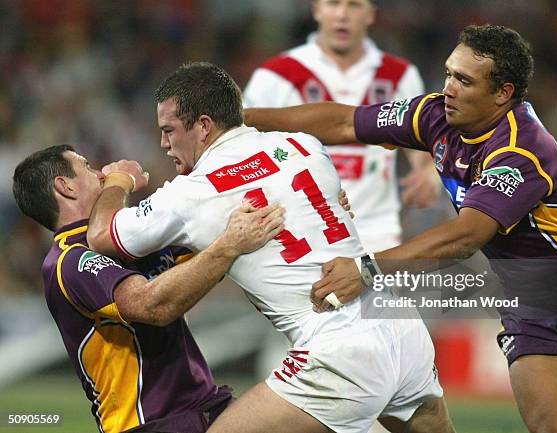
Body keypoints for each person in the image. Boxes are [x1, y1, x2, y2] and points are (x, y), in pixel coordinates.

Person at [244, 24, 557, 432]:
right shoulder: (436, 115)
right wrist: (239, 122)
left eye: (464, 80)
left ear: (503, 93)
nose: (449, 88)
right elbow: (345, 122)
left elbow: (467, 236)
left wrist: (366, 270)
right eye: (449, 73)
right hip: (533, 303)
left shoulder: (520, 149)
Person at [86, 62, 455, 433]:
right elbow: (324, 202)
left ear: (203, 125)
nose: (164, 144)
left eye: (169, 131)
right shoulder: (303, 145)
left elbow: (102, 235)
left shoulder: (190, 194)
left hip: (337, 353)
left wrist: (118, 180)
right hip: (400, 327)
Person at [12, 144, 285, 433]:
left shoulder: (130, 237)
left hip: (206, 406)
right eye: (88, 167)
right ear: (64, 186)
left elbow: (206, 257)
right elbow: (152, 306)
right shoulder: (68, 261)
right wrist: (121, 183)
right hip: (152, 423)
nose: (102, 173)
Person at [244, 0, 439, 252]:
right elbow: (241, 139)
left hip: (376, 233)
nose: (343, 15)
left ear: (371, 14)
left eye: (354, 5)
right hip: (299, 233)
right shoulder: (275, 76)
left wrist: (428, 173)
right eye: (333, 3)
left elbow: (418, 139)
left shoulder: (400, 75)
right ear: (316, 10)